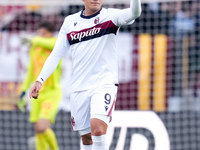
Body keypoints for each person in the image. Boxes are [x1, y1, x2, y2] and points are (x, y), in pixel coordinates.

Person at [29, 0, 142, 150]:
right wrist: (40, 80)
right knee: (86, 138)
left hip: (104, 84)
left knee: (98, 129)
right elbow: (56, 54)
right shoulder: (70, 22)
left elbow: (135, 13)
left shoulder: (111, 16)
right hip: (79, 87)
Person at [18, 21, 62, 150]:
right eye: (38, 34)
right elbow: (31, 71)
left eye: (43, 34)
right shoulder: (35, 48)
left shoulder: (56, 45)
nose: (40, 36)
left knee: (43, 127)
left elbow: (48, 43)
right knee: (38, 130)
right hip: (37, 93)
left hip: (51, 93)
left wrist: (34, 39)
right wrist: (23, 91)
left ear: (50, 34)